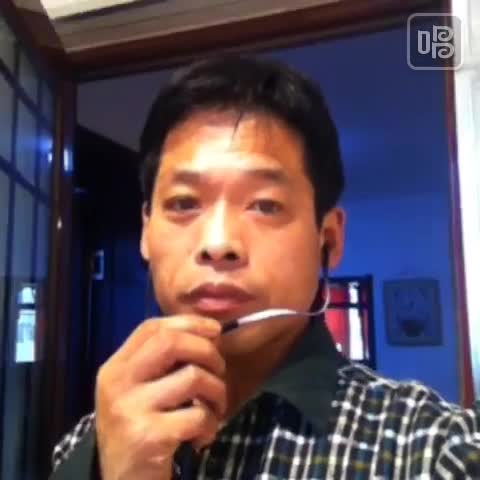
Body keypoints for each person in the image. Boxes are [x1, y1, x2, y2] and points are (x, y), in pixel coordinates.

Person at [49, 56, 480, 480]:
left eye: (265, 205)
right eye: (183, 203)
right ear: (146, 231)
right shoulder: (90, 444)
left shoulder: (431, 451)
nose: (218, 244)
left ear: (329, 239)